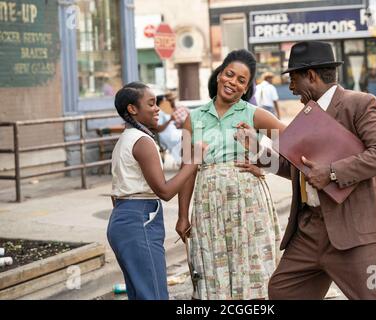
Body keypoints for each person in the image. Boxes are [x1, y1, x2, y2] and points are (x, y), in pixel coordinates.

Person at [246, 41, 376, 300]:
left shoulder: (359, 104)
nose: (291, 88)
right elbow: (297, 168)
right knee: (283, 290)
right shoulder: (307, 114)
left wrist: (331, 172)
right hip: (310, 230)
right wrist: (258, 152)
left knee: (372, 295)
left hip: (355, 231)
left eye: (293, 79)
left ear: (312, 76)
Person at [176, 49, 286, 300]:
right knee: (212, 269)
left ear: (246, 88)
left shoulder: (253, 114)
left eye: (241, 80)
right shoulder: (193, 118)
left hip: (248, 204)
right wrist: (183, 215)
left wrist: (265, 163)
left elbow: (290, 140)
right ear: (219, 74)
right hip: (208, 206)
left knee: (251, 265)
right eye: (229, 74)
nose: (232, 83)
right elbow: (187, 169)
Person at [106, 82, 205, 300]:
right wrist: (193, 162)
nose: (157, 108)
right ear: (132, 109)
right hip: (139, 219)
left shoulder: (126, 139)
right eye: (151, 103)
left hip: (123, 219)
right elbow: (165, 191)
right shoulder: (143, 141)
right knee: (154, 295)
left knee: (141, 294)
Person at [155, 94, 183, 166]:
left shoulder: (165, 111)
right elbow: (159, 129)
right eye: (165, 101)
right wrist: (170, 120)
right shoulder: (159, 112)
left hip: (172, 132)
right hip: (166, 135)